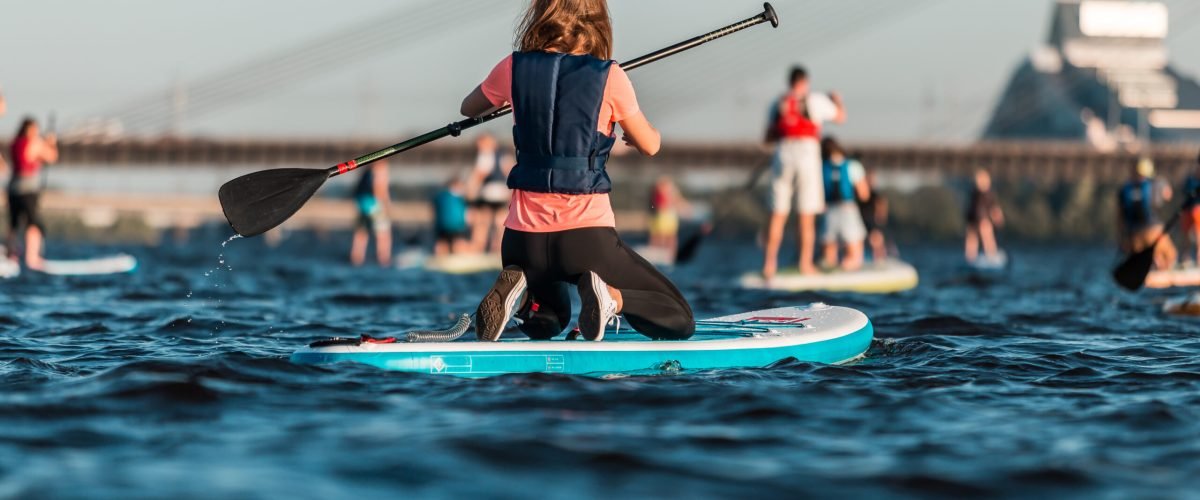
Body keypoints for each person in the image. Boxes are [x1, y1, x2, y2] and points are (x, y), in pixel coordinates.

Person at [460, 0, 693, 342]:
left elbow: (468, 108)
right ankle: (610, 297)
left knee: (550, 321)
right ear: (597, 20)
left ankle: (522, 298)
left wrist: (516, 96)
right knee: (678, 317)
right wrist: (626, 128)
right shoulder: (610, 77)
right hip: (586, 240)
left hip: (521, 242)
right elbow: (651, 145)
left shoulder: (513, 68)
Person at [762, 66, 846, 279]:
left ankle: (769, 264)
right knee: (805, 215)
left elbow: (768, 138)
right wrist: (836, 100)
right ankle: (805, 264)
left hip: (783, 154)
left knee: (777, 215)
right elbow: (840, 117)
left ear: (789, 82)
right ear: (805, 82)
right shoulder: (816, 100)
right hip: (807, 155)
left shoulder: (777, 103)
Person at [7, 117, 58, 270]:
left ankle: (12, 256)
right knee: (33, 224)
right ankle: (32, 258)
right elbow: (51, 157)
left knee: (14, 224)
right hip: (28, 189)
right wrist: (51, 144)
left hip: (13, 188)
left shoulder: (14, 142)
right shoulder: (34, 143)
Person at [819, 137, 868, 271]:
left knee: (828, 254)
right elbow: (864, 194)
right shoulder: (853, 165)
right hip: (848, 210)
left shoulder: (821, 166)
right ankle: (848, 266)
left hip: (828, 211)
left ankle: (830, 270)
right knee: (854, 253)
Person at [1118, 158, 1176, 270]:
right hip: (1153, 230)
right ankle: (1162, 270)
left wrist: (1122, 239)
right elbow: (1168, 195)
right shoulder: (1154, 184)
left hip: (1133, 236)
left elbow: (1120, 217)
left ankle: (1154, 265)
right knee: (1171, 255)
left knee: (1150, 254)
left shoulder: (1125, 188)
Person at [467, 133, 513, 254]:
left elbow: (480, 174)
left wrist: (470, 191)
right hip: (502, 193)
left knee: (482, 223)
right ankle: (498, 250)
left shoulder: (485, 155)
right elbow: (509, 172)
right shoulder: (504, 155)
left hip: (488, 193)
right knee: (500, 223)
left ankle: (478, 249)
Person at [349, 161, 392, 267]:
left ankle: (356, 259)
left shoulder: (366, 171)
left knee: (361, 233)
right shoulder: (380, 168)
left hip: (362, 203)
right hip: (374, 205)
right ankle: (383, 259)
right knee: (383, 234)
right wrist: (386, 205)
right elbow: (379, 188)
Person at [964, 169, 1004, 263]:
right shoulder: (975, 193)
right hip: (973, 219)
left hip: (983, 219)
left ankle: (991, 255)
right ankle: (970, 258)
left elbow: (994, 208)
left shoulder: (989, 194)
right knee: (971, 238)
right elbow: (971, 207)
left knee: (987, 236)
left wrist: (998, 218)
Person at [648, 175, 691, 258]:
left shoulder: (671, 191)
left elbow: (678, 202)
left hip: (667, 216)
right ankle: (660, 253)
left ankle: (670, 255)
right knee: (659, 236)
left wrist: (685, 209)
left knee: (668, 237)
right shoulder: (659, 191)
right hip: (661, 215)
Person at [432, 177, 470, 256]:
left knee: (442, 244)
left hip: (441, 228)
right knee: (458, 244)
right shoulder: (460, 198)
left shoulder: (439, 196)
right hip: (457, 227)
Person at [859, 169, 889, 261]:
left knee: (876, 242)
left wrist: (881, 218)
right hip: (861, 221)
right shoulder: (861, 193)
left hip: (871, 222)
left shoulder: (876, 195)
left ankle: (880, 259)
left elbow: (882, 206)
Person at [1180, 151, 1200, 266]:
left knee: (1198, 234)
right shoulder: (1190, 179)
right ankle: (1186, 257)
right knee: (1186, 235)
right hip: (1187, 210)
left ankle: (1198, 258)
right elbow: (1184, 191)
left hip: (1197, 209)